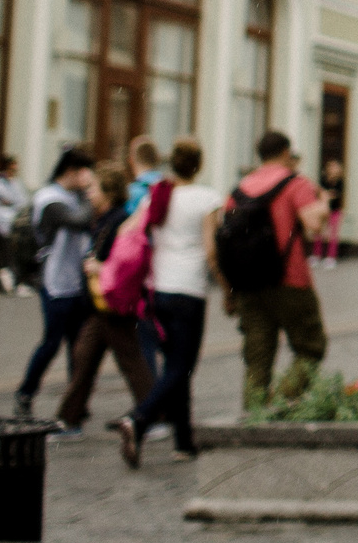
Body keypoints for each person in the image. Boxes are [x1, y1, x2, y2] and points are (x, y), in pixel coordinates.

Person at [120, 139, 221, 468]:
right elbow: (210, 250)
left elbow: (128, 230)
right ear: (198, 165)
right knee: (181, 367)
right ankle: (139, 420)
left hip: (157, 290)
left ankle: (183, 441)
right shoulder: (207, 198)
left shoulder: (158, 194)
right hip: (189, 290)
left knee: (175, 366)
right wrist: (226, 286)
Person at [53, 162, 156, 441]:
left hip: (112, 305)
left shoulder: (118, 221)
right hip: (100, 306)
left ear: (108, 192)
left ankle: (152, 416)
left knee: (129, 362)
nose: (88, 194)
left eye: (93, 188)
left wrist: (100, 267)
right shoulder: (106, 220)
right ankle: (69, 419)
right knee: (85, 359)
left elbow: (126, 263)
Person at [225, 131, 329, 407]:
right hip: (290, 279)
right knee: (311, 348)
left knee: (257, 360)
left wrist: (229, 292)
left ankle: (254, 415)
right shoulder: (296, 183)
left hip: (248, 284)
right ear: (285, 152)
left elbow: (226, 242)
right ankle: (281, 401)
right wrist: (324, 203)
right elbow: (314, 225)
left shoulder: (238, 190)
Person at [16, 150, 97, 417]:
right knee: (52, 342)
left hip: (77, 283)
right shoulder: (50, 199)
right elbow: (79, 221)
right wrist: (89, 193)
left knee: (78, 346)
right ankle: (25, 393)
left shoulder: (73, 196)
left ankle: (76, 403)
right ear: (71, 171)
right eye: (84, 172)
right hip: (55, 284)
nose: (88, 178)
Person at [0, 154, 27, 293]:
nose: (14, 170)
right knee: (7, 253)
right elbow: (4, 198)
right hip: (3, 222)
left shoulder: (16, 183)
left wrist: (12, 201)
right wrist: (10, 201)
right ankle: (11, 283)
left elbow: (22, 201)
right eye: (11, 167)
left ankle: (17, 282)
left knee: (17, 252)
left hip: (17, 222)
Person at [314, 157, 346, 269]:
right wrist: (326, 194)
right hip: (323, 210)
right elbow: (319, 192)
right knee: (319, 233)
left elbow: (335, 194)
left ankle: (331, 257)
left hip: (335, 210)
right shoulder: (323, 179)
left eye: (335, 166)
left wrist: (326, 194)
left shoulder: (340, 181)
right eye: (331, 166)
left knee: (333, 234)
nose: (333, 169)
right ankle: (317, 255)